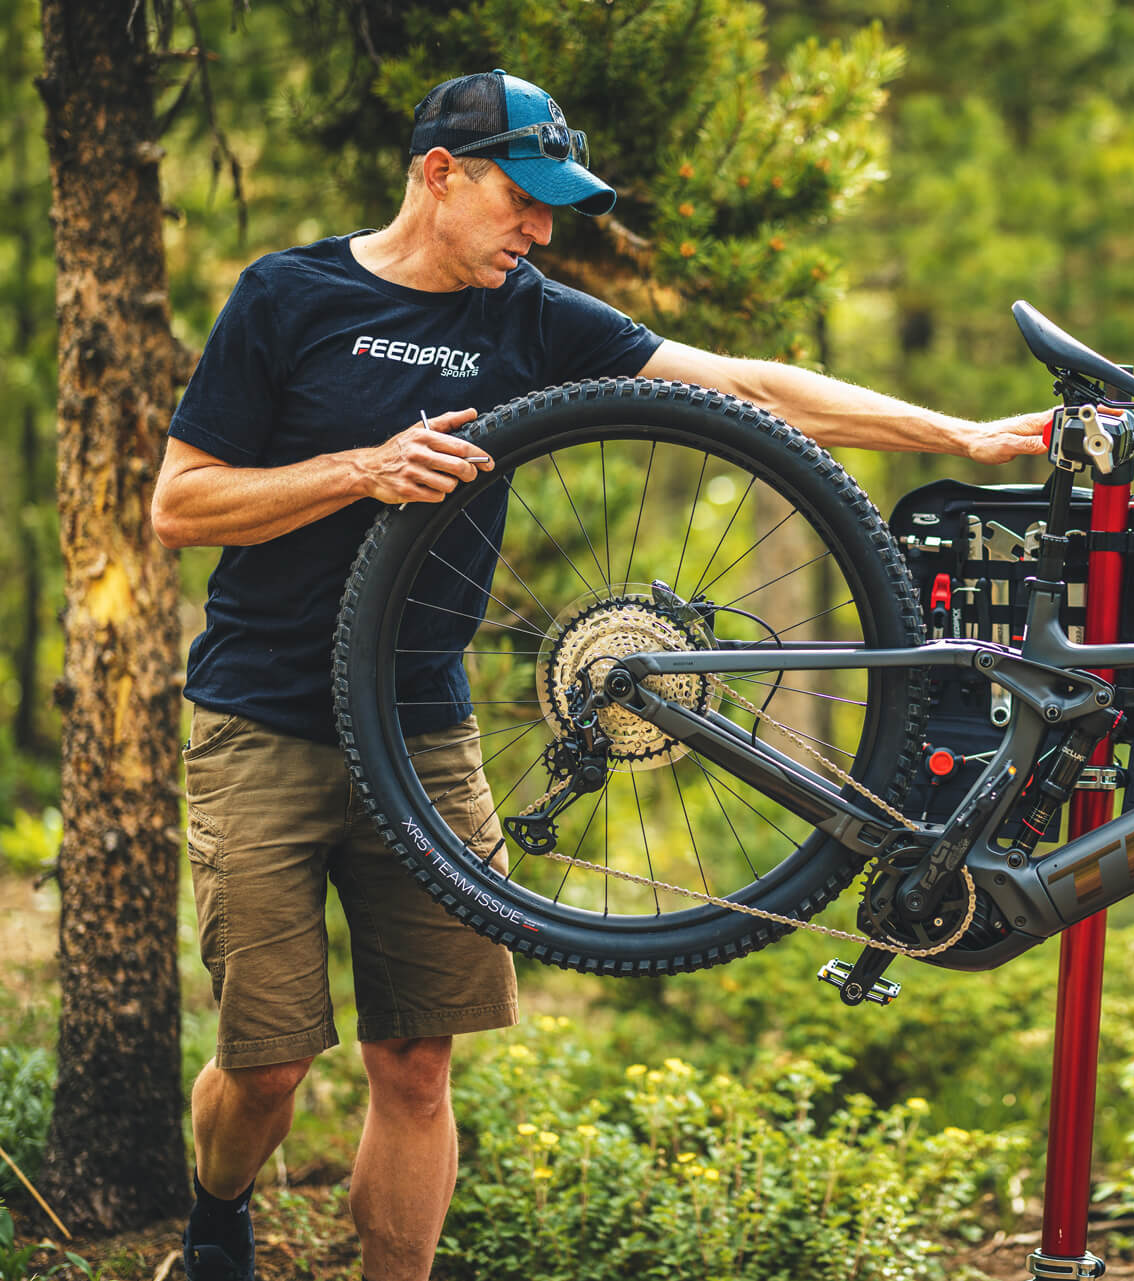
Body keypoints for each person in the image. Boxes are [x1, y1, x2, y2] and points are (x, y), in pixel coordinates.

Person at [150, 69, 1046, 1281]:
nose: (540, 232)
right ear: (440, 174)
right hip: (261, 721)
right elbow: (182, 505)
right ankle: (215, 1215)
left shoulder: (526, 313)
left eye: (551, 213)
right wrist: (362, 469)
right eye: (524, 201)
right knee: (264, 1067)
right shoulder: (288, 295)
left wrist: (964, 436)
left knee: (417, 1065)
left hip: (422, 727)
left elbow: (748, 390)